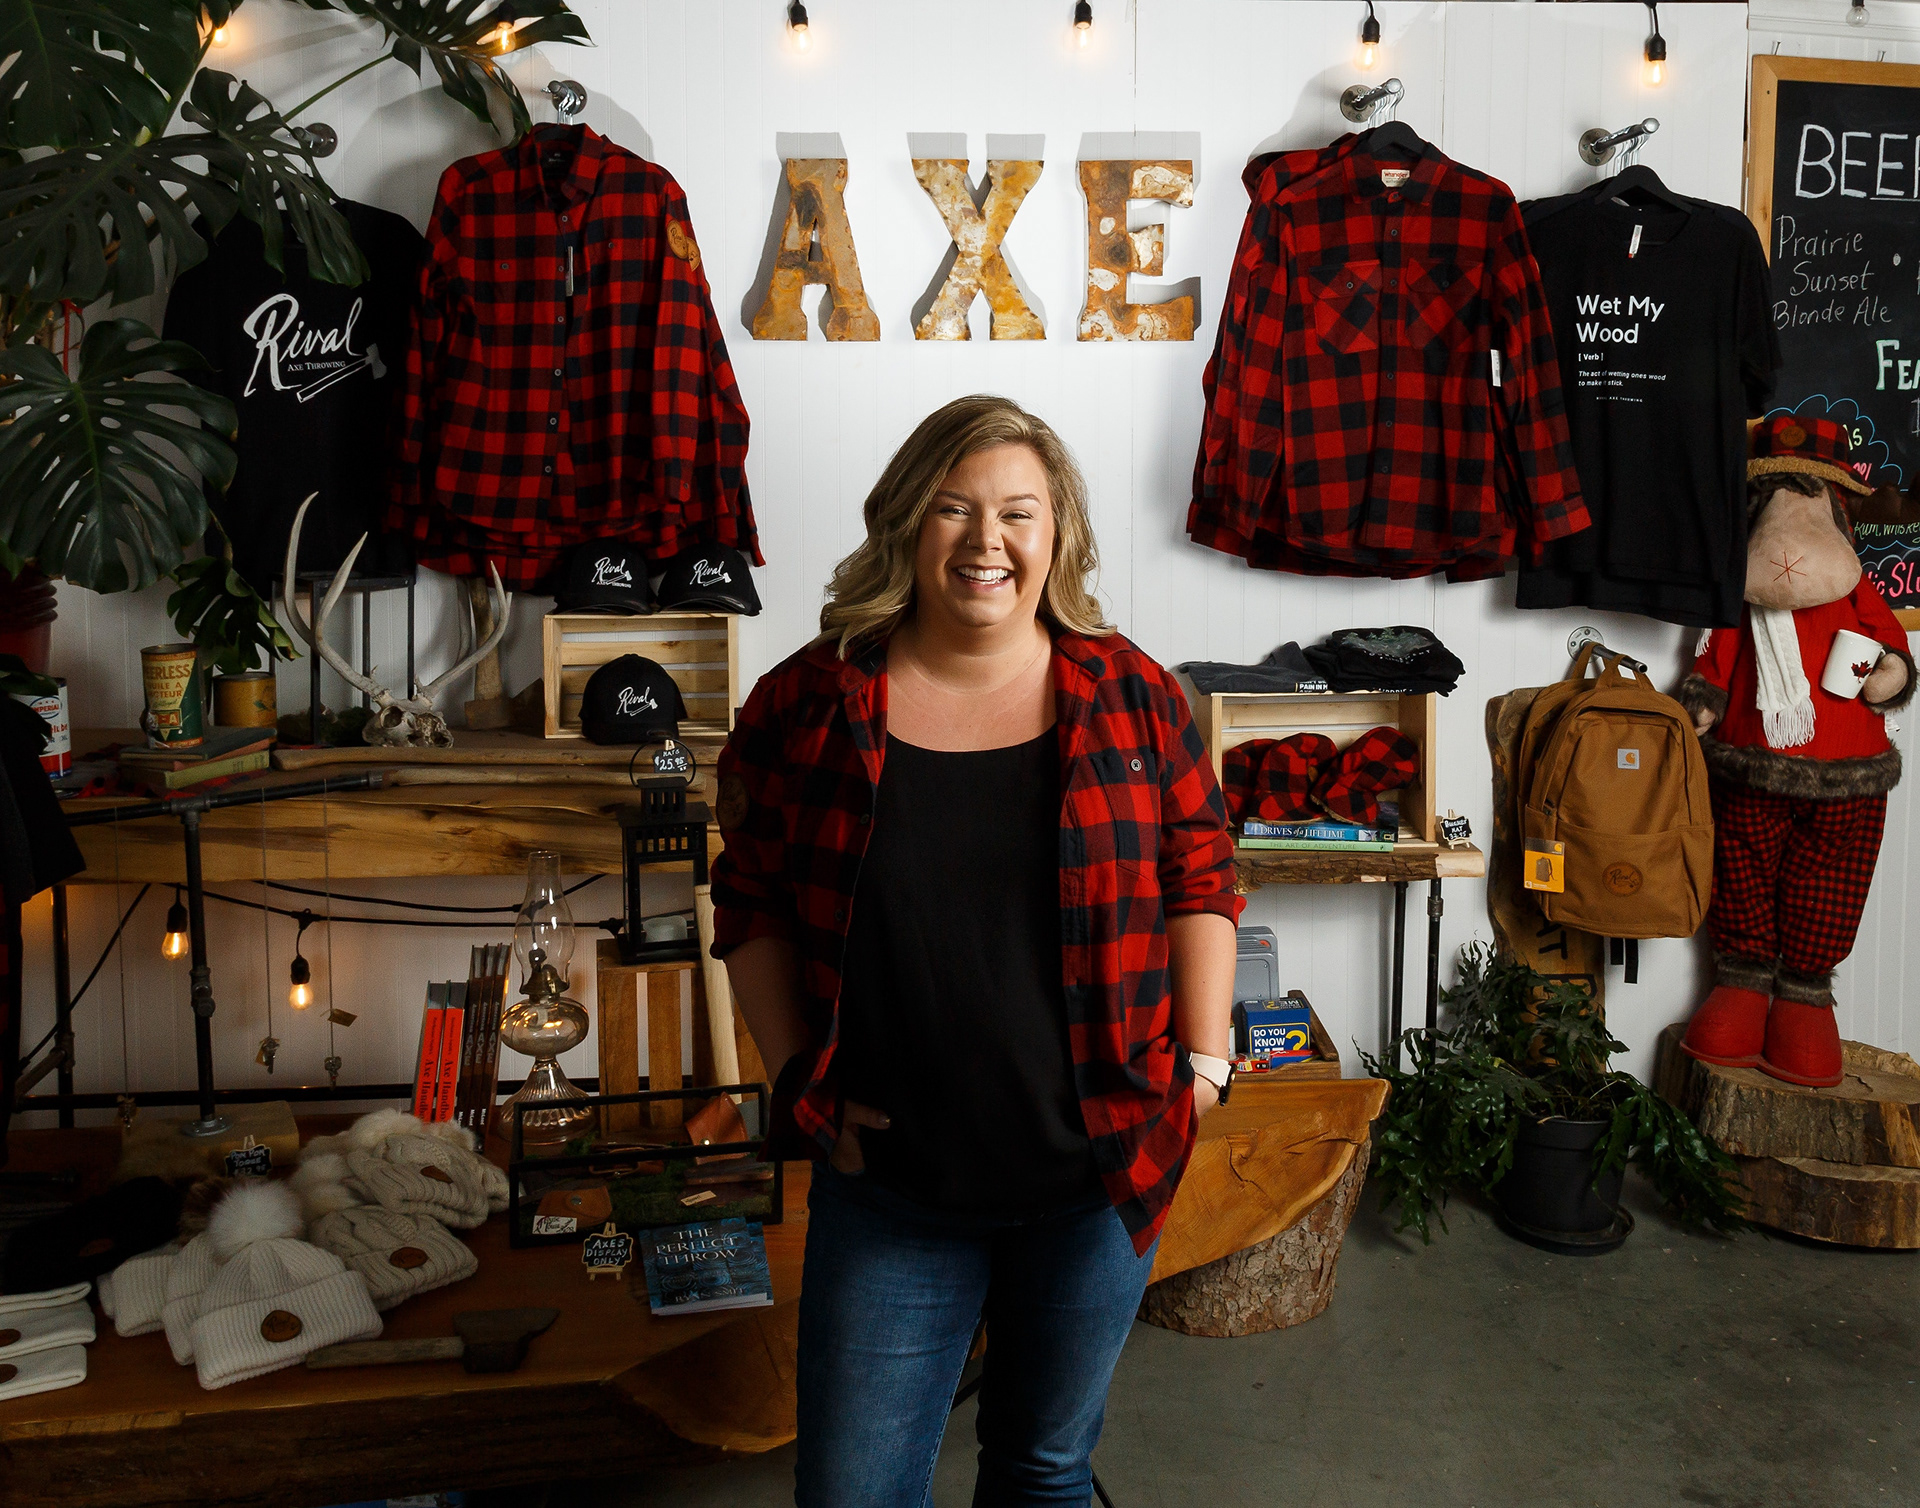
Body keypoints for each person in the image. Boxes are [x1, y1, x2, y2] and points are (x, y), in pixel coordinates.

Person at [710, 394, 1242, 1507]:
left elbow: (1201, 876)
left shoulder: (1132, 696)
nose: (985, 541)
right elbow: (750, 899)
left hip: (1095, 1179)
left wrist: (1202, 1067)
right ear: (908, 521)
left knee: (1043, 1472)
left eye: (1017, 513)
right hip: (896, 1188)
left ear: (1059, 536)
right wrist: (799, 1078)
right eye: (953, 508)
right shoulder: (809, 702)